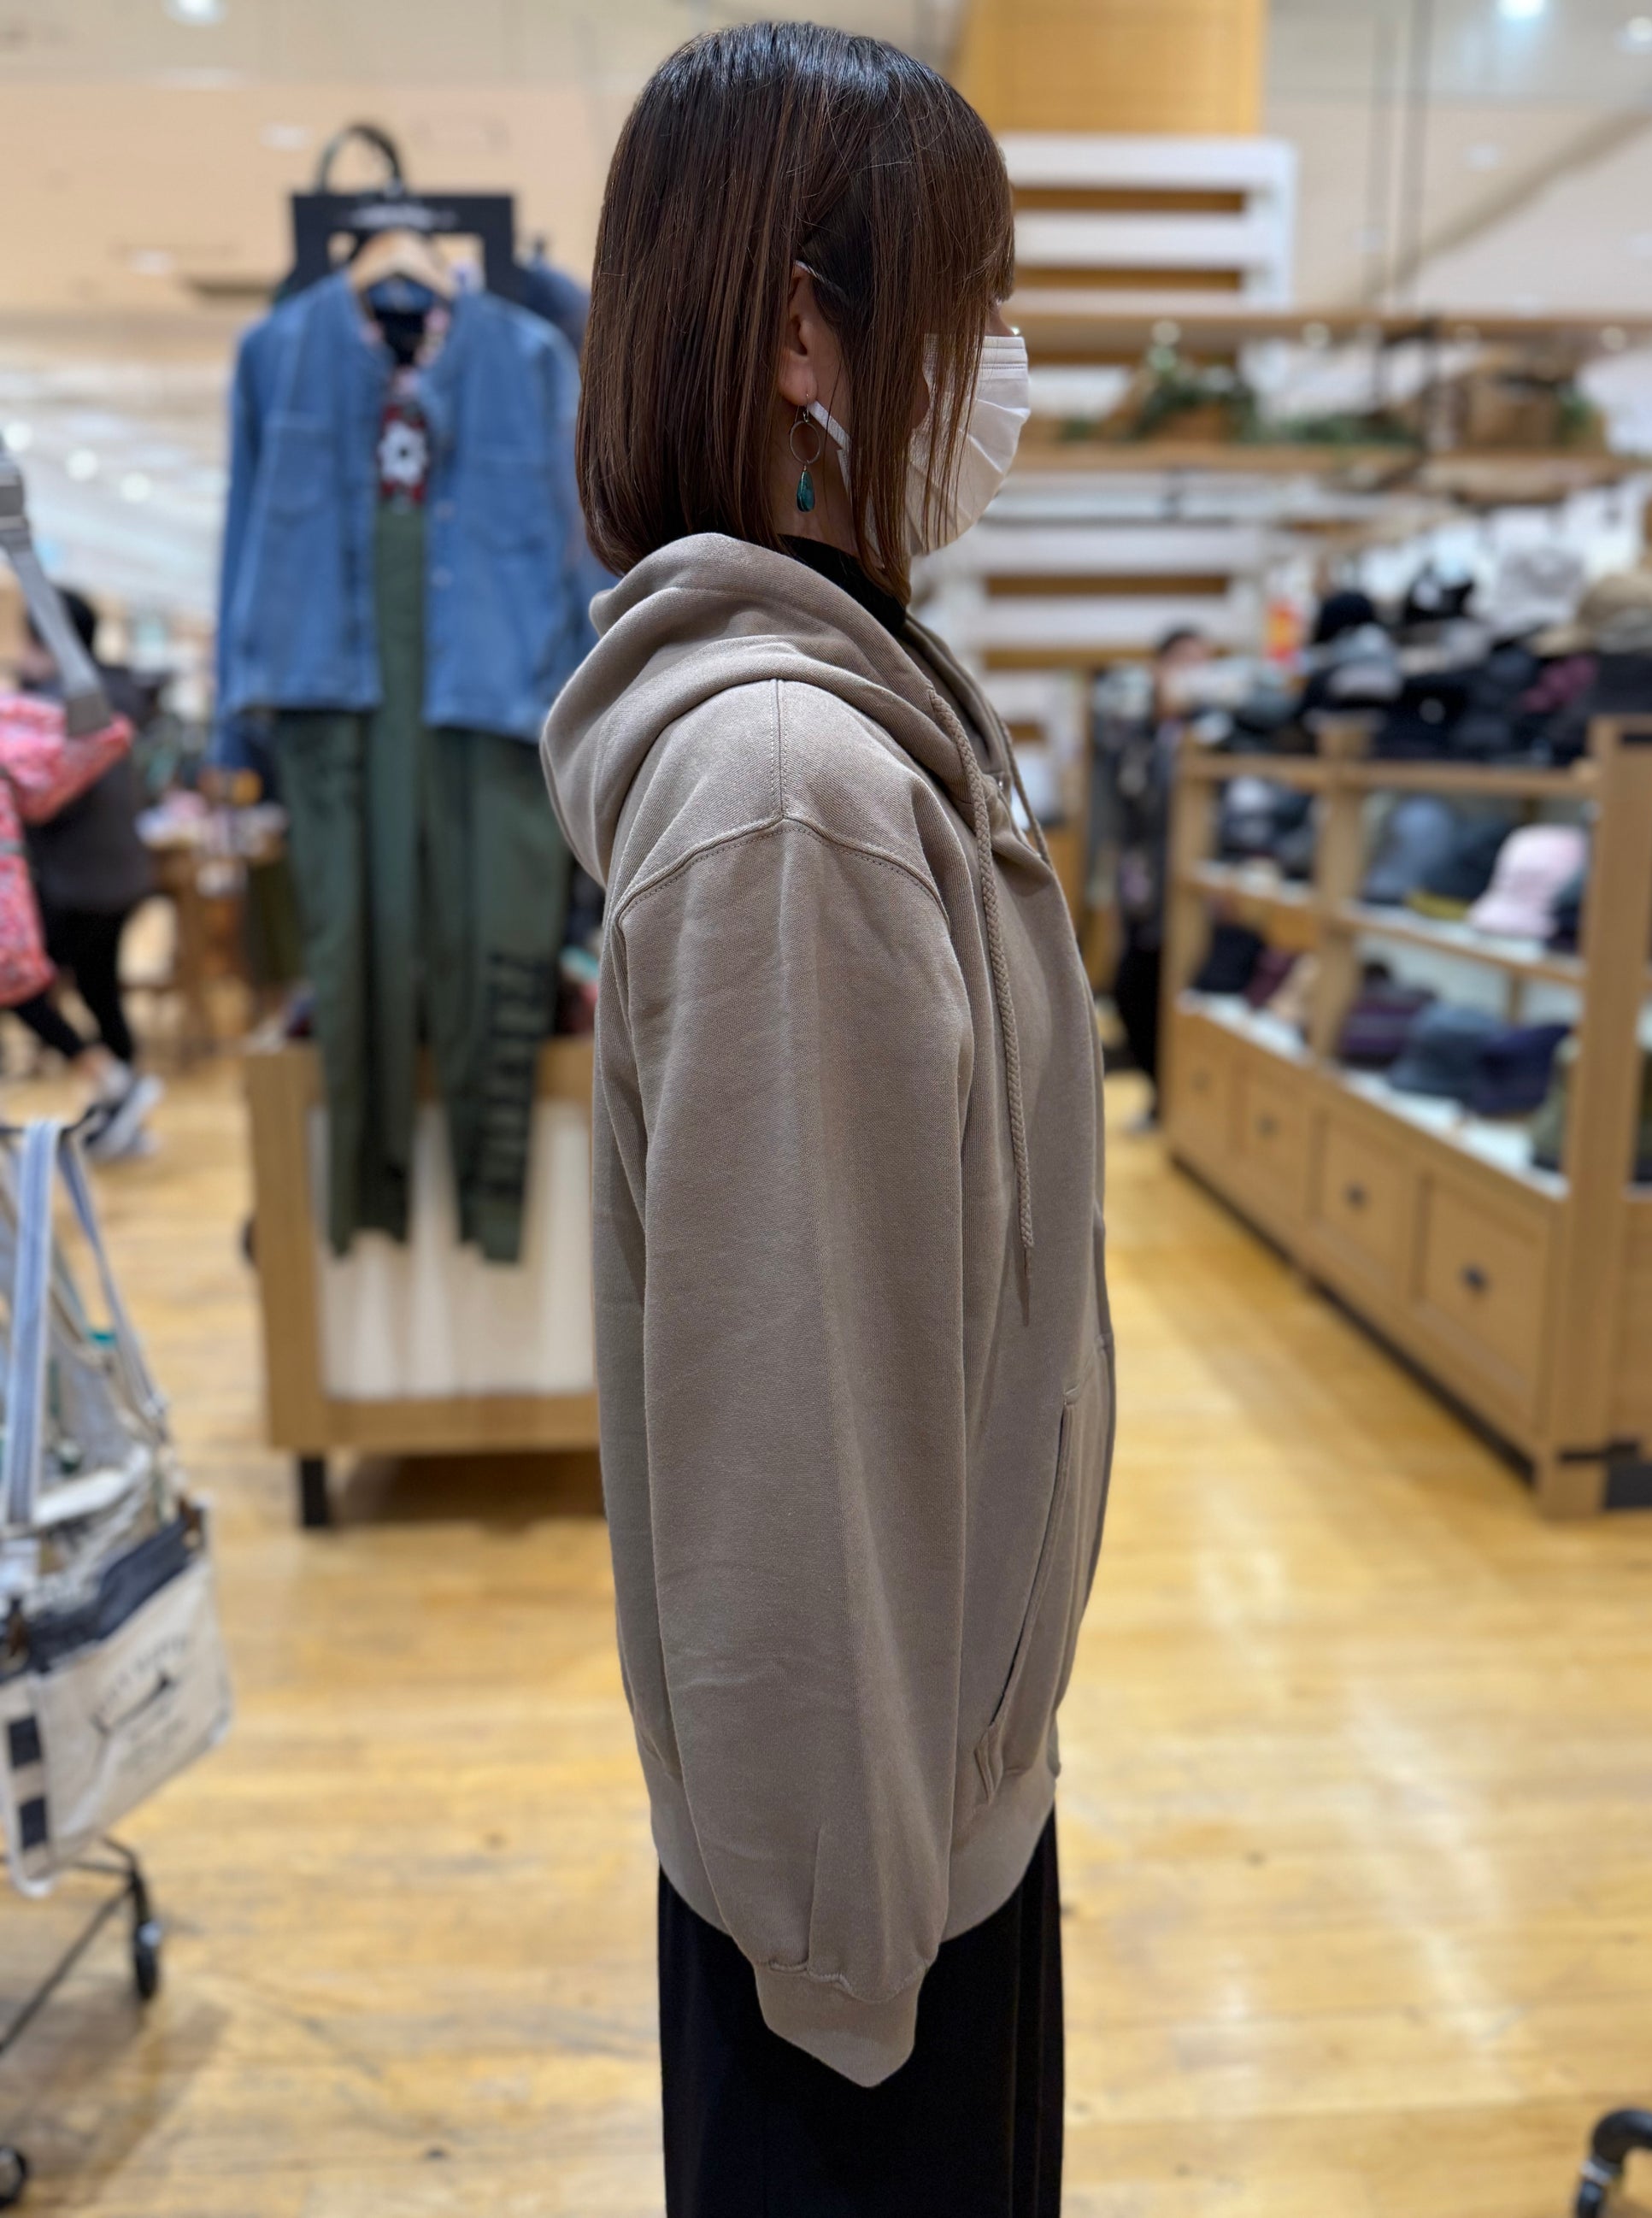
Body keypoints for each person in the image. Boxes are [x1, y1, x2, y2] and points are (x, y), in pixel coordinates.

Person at [544, 26, 1114, 2217]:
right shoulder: (800, 791)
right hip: (867, 1933)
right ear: (809, 334)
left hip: (912, 1837)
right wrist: (855, 1953)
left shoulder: (856, 739)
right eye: (974, 304)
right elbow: (797, 1450)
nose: (1000, 363)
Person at [10, 589, 162, 1159]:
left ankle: (112, 1082)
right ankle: (122, 1110)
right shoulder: (115, 695)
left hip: (74, 878)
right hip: (122, 872)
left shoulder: (50, 711)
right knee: (100, 989)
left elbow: (40, 800)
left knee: (18, 985)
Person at [1097, 626, 1209, 1126]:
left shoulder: (1215, 734)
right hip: (1145, 891)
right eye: (1183, 660)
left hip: (1196, 894)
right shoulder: (1138, 739)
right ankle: (1165, 1098)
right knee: (1133, 992)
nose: (1194, 673)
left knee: (1174, 997)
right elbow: (1121, 819)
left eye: (1203, 662)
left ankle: (1177, 1106)